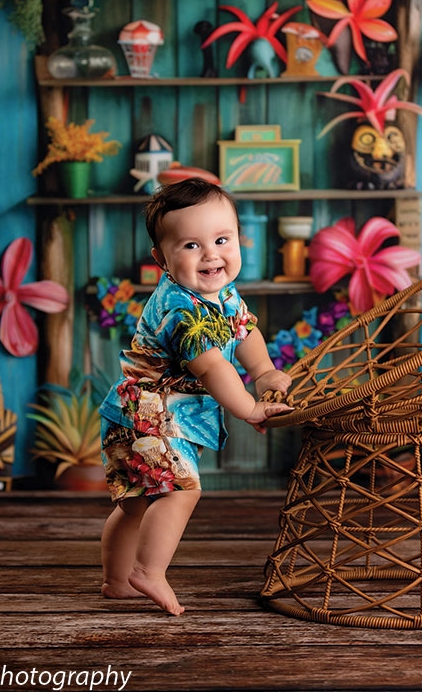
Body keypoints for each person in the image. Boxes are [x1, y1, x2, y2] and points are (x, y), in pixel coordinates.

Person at [98, 179, 292, 615]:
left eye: (222, 239)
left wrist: (262, 371)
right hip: (148, 412)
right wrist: (249, 408)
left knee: (136, 501)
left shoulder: (221, 293)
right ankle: (147, 571)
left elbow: (245, 331)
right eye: (190, 245)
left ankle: (114, 581)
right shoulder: (182, 310)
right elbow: (213, 366)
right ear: (161, 259)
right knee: (179, 492)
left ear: (240, 239)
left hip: (137, 413)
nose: (211, 255)